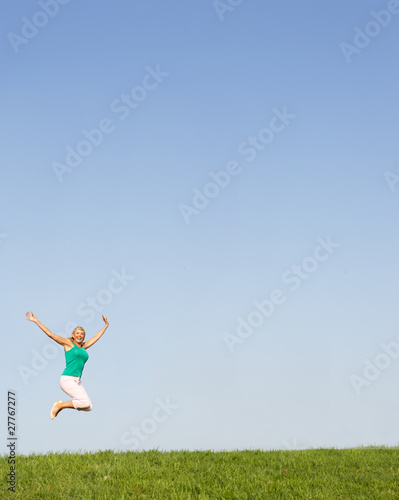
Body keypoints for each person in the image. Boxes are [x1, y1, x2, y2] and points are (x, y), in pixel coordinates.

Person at [25, 312, 109, 419]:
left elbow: (96, 337)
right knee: (84, 402)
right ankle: (59, 406)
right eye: (77, 333)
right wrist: (36, 321)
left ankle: (60, 405)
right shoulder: (68, 344)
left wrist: (105, 326)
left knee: (89, 406)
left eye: (82, 334)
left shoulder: (83, 347)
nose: (80, 335)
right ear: (73, 335)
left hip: (77, 381)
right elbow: (51, 334)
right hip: (67, 379)